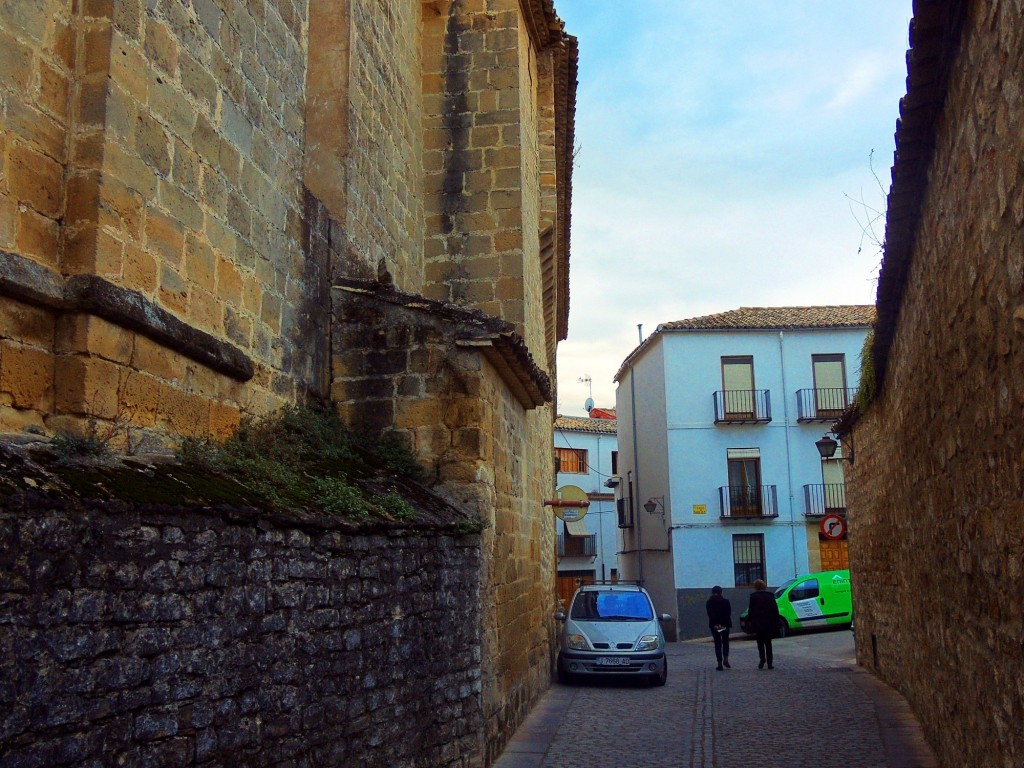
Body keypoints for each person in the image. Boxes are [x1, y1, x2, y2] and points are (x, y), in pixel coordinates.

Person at [747, 578, 780, 670]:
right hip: (768, 623)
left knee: (760, 643)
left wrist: (750, 622)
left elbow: (751, 611)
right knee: (768, 643)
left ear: (756, 587)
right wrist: (776, 622)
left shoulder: (753, 597)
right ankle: (770, 663)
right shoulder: (770, 596)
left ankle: (762, 659)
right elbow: (775, 610)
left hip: (758, 624)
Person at [705, 585, 732, 670]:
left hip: (715, 625)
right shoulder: (726, 601)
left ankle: (719, 663)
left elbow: (709, 614)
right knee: (725, 642)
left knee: (717, 644)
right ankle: (726, 660)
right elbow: (728, 613)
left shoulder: (709, 602)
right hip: (724, 624)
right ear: (721, 592)